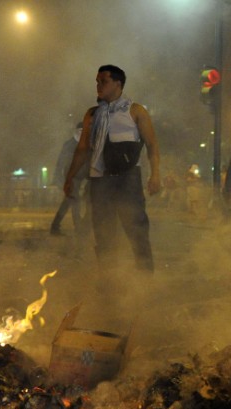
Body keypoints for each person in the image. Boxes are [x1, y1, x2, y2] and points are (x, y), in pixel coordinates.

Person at [63, 64, 161, 282]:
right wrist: (70, 178)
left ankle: (146, 278)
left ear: (118, 84)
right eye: (97, 82)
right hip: (100, 181)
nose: (98, 86)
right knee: (103, 232)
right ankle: (109, 281)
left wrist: (155, 175)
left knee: (136, 228)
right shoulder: (92, 114)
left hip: (127, 179)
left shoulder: (135, 111)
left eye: (103, 82)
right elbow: (82, 149)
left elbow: (152, 145)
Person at [50, 122, 88, 236]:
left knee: (67, 202)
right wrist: (58, 177)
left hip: (80, 176)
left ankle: (55, 226)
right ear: (76, 131)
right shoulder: (69, 144)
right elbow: (60, 162)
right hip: (71, 177)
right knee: (75, 201)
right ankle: (78, 228)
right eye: (80, 131)